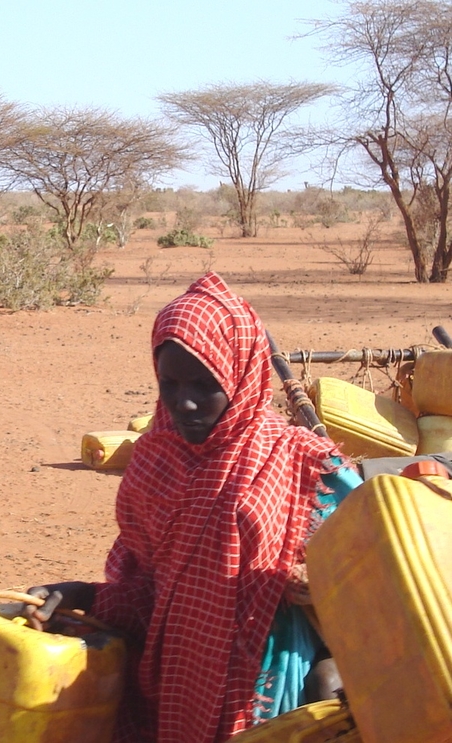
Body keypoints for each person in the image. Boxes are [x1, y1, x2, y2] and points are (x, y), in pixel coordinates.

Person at [25, 272, 362, 743]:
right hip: (175, 680)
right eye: (169, 383)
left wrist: (314, 596)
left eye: (204, 384)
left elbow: (375, 576)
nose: (183, 402)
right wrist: (83, 595)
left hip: (271, 685)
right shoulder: (153, 464)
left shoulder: (304, 463)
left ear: (241, 374)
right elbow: (149, 590)